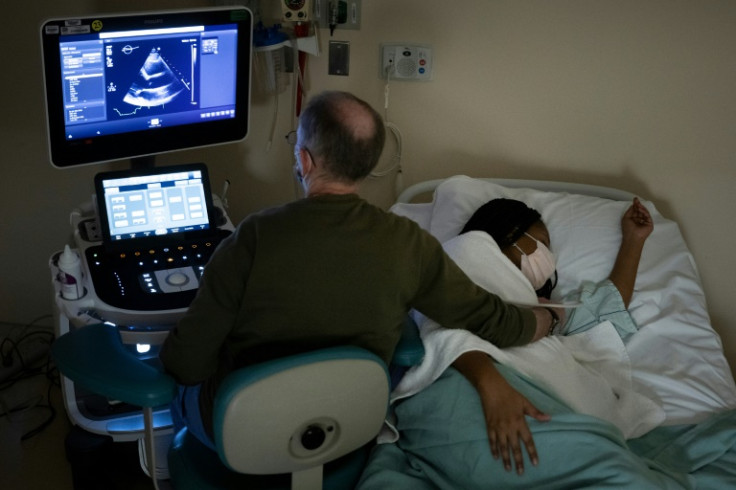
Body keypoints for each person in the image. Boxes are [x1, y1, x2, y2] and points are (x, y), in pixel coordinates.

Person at [159, 91, 558, 451]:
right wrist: (548, 316)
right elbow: (497, 322)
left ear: (304, 160)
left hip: (243, 432)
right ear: (367, 166)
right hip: (346, 431)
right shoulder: (409, 243)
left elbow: (186, 363)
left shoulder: (253, 237)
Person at [451, 196, 654, 475]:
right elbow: (440, 327)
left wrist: (634, 240)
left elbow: (606, 306)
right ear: (509, 233)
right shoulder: (455, 270)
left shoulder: (550, 310)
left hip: (537, 404)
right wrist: (491, 383)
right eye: (542, 244)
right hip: (471, 390)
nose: (548, 257)